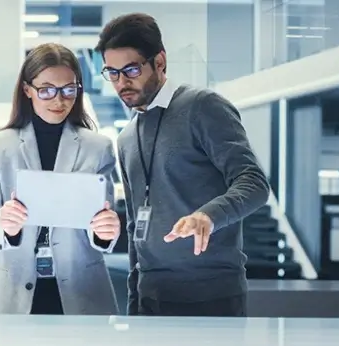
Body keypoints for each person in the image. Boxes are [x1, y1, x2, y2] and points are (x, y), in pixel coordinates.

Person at [95, 13, 271, 317]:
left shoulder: (203, 106)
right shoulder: (125, 138)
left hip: (212, 293)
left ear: (160, 61)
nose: (122, 82)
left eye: (131, 69)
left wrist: (209, 215)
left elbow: (254, 183)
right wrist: (135, 302)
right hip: (151, 297)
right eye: (112, 73)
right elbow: (137, 224)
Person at [0, 43, 122, 315]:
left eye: (69, 90)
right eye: (47, 90)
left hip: (82, 290)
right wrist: (5, 226)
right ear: (28, 90)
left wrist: (105, 230)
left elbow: (101, 229)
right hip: (14, 292)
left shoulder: (98, 147)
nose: (59, 100)